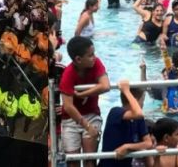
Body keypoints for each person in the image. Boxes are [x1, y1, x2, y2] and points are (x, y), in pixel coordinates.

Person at [60, 36, 111, 167]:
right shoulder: (68, 74)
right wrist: (86, 126)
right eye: (90, 55)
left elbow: (105, 85)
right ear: (78, 59)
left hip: (92, 115)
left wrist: (82, 94)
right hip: (70, 120)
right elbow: (68, 106)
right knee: (73, 162)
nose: (94, 57)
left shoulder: (96, 63)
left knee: (90, 161)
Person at [98, 80, 151, 167]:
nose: (143, 104)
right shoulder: (115, 112)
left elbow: (148, 143)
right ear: (135, 101)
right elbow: (138, 113)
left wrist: (127, 146)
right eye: (142, 100)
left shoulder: (139, 120)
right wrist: (126, 91)